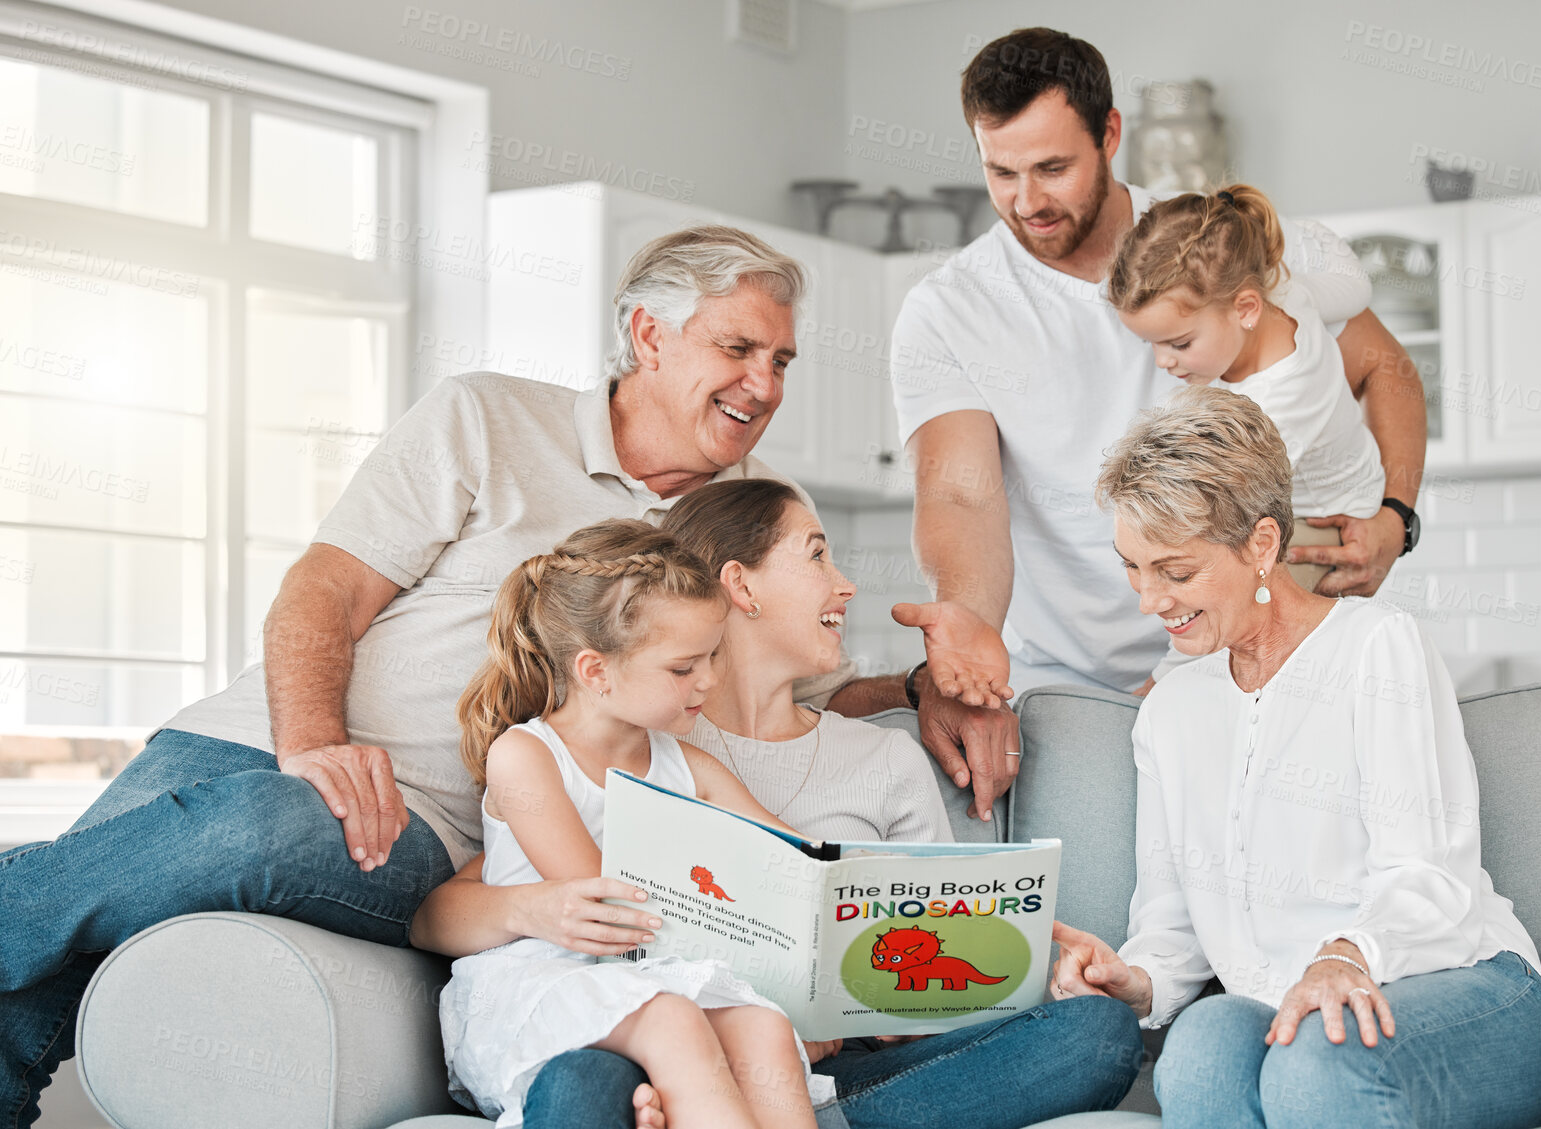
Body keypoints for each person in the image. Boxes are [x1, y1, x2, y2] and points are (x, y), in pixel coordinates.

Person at [0, 225, 1011, 1129]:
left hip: (417, 821)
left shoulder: (731, 525)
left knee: (257, 826)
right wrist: (313, 744)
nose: (765, 383)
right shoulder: (484, 416)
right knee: (30, 981)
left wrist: (909, 693)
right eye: (738, 348)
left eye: (781, 359)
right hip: (247, 738)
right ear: (647, 335)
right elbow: (322, 590)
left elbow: (754, 685)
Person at [414, 478, 1142, 1129]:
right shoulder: (576, 747)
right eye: (817, 554)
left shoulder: (695, 754)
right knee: (592, 1075)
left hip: (812, 1054)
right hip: (615, 996)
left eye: (704, 660)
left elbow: (817, 862)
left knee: (1092, 1033)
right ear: (739, 587)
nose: (845, 584)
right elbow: (563, 907)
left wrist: (1041, 924)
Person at [1047, 386, 1541, 1129]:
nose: (1148, 600)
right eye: (1133, 567)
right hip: (1293, 1006)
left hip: (1464, 987)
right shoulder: (1170, 710)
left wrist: (1344, 954)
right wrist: (1132, 979)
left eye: (1175, 571)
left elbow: (1429, 876)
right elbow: (1171, 926)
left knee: (1318, 1052)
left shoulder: (1375, 646)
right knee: (1198, 1043)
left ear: (1261, 545)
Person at [889, 28, 1427, 705]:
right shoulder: (948, 309)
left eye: (1052, 168)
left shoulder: (1208, 242)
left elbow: (1387, 370)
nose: (1027, 201)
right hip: (1059, 683)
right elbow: (960, 495)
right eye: (1001, 172)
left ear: (1109, 134)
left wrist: (1394, 518)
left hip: (1252, 660)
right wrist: (965, 623)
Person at [441, 520, 830, 1129]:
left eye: (714, 656)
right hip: (546, 977)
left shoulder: (689, 766)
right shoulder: (525, 755)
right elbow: (602, 900)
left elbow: (800, 856)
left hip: (651, 967)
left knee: (764, 1026)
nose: (709, 680)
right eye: (683, 668)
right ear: (595, 672)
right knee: (674, 1016)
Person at [1106, 182, 1389, 681]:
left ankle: (1164, 688)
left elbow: (1202, 529)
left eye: (1179, 343)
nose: (1163, 362)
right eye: (1151, 345)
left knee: (1227, 618)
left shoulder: (1280, 404)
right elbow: (1354, 286)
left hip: (1328, 520)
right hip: (1312, 487)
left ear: (1245, 309)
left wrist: (1162, 679)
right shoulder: (1283, 289)